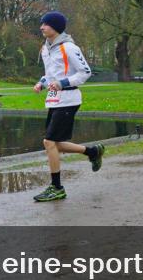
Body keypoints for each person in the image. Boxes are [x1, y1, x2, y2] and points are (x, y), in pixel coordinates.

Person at [31, 11, 105, 202]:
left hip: (69, 99)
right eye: (42, 24)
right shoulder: (46, 48)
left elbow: (85, 72)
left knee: (48, 142)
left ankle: (57, 188)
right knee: (56, 143)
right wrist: (41, 82)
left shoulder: (69, 47)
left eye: (45, 24)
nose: (41, 27)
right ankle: (92, 152)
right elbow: (50, 74)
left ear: (55, 27)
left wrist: (63, 83)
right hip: (54, 99)